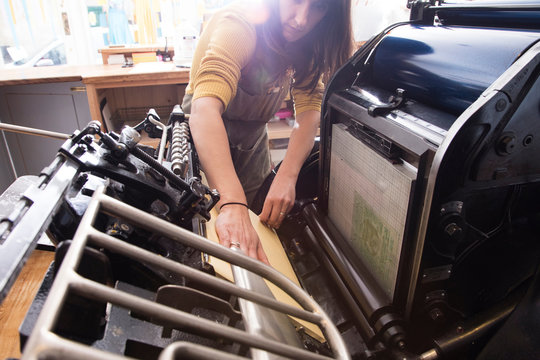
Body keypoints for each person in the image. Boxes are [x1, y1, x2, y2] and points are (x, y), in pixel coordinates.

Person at [182, 0, 353, 262]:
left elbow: (309, 107)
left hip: (252, 142)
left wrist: (287, 175)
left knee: (256, 223)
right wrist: (232, 202)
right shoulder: (241, 25)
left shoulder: (304, 41)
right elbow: (204, 110)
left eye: (318, 7)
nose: (301, 20)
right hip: (205, 132)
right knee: (209, 231)